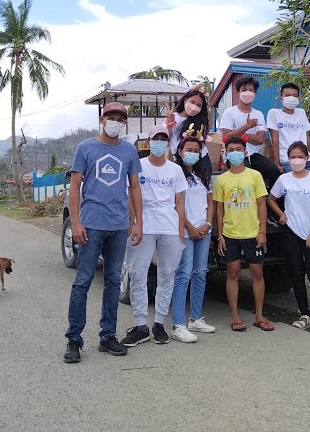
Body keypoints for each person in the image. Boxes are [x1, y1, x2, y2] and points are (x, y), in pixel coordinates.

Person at [63, 102, 144, 363]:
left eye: (121, 118)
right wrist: (75, 222)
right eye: (112, 117)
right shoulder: (85, 148)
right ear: (102, 119)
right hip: (91, 225)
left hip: (119, 226)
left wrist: (138, 221)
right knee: (83, 281)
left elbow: (134, 188)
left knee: (112, 281)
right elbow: (75, 187)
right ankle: (74, 339)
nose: (116, 122)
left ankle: (107, 336)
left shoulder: (129, 150)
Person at [121, 125, 188, 347]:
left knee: (167, 274)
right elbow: (131, 196)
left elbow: (179, 202)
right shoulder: (137, 166)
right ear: (148, 142)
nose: (159, 142)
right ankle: (141, 325)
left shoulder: (175, 170)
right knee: (138, 273)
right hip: (144, 224)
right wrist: (133, 223)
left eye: (163, 139)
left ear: (168, 143)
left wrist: (180, 231)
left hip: (169, 225)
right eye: (155, 138)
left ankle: (159, 323)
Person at [270, 142, 310, 337]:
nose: (297, 160)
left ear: (307, 158)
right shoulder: (283, 179)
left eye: (300, 157)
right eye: (293, 157)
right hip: (291, 232)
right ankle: (304, 314)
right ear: (288, 159)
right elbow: (270, 199)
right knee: (296, 273)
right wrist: (281, 214)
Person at [214, 135, 274, 332]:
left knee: (257, 272)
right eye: (231, 149)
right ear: (225, 152)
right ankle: (235, 316)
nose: (235, 153)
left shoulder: (254, 176)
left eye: (238, 149)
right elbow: (219, 210)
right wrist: (221, 236)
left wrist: (262, 231)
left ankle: (259, 315)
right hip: (231, 234)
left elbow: (261, 204)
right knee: (232, 272)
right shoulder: (222, 180)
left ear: (245, 151)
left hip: (253, 233)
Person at [168, 133, 216, 342]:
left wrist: (207, 224)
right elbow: (175, 205)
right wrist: (189, 226)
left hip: (204, 230)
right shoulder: (175, 174)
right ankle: (178, 323)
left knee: (200, 273)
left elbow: (210, 201)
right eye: (188, 150)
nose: (192, 154)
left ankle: (195, 318)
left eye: (196, 151)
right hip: (185, 232)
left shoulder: (202, 174)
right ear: (180, 151)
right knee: (183, 275)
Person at [218, 76, 282, 189]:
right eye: (244, 90)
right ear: (238, 93)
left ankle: (272, 203)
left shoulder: (259, 114)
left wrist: (235, 133)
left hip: (253, 155)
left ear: (255, 93)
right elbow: (226, 137)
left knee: (273, 170)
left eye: (250, 90)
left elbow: (259, 140)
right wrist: (247, 126)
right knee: (247, 176)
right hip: (235, 154)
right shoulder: (229, 112)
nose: (247, 93)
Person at [267, 83, 310, 180]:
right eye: (287, 95)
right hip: (288, 160)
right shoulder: (273, 113)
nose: (291, 98)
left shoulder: (301, 112)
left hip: (307, 159)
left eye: (294, 96)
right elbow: (274, 140)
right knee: (304, 182)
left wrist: (308, 154)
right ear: (281, 98)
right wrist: (277, 164)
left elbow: (306, 135)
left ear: (298, 99)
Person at [165, 88, 212, 168]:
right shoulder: (173, 117)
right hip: (180, 159)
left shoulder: (200, 121)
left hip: (201, 160)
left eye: (198, 105)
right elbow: (166, 140)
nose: (194, 107)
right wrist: (170, 123)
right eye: (192, 102)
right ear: (185, 100)